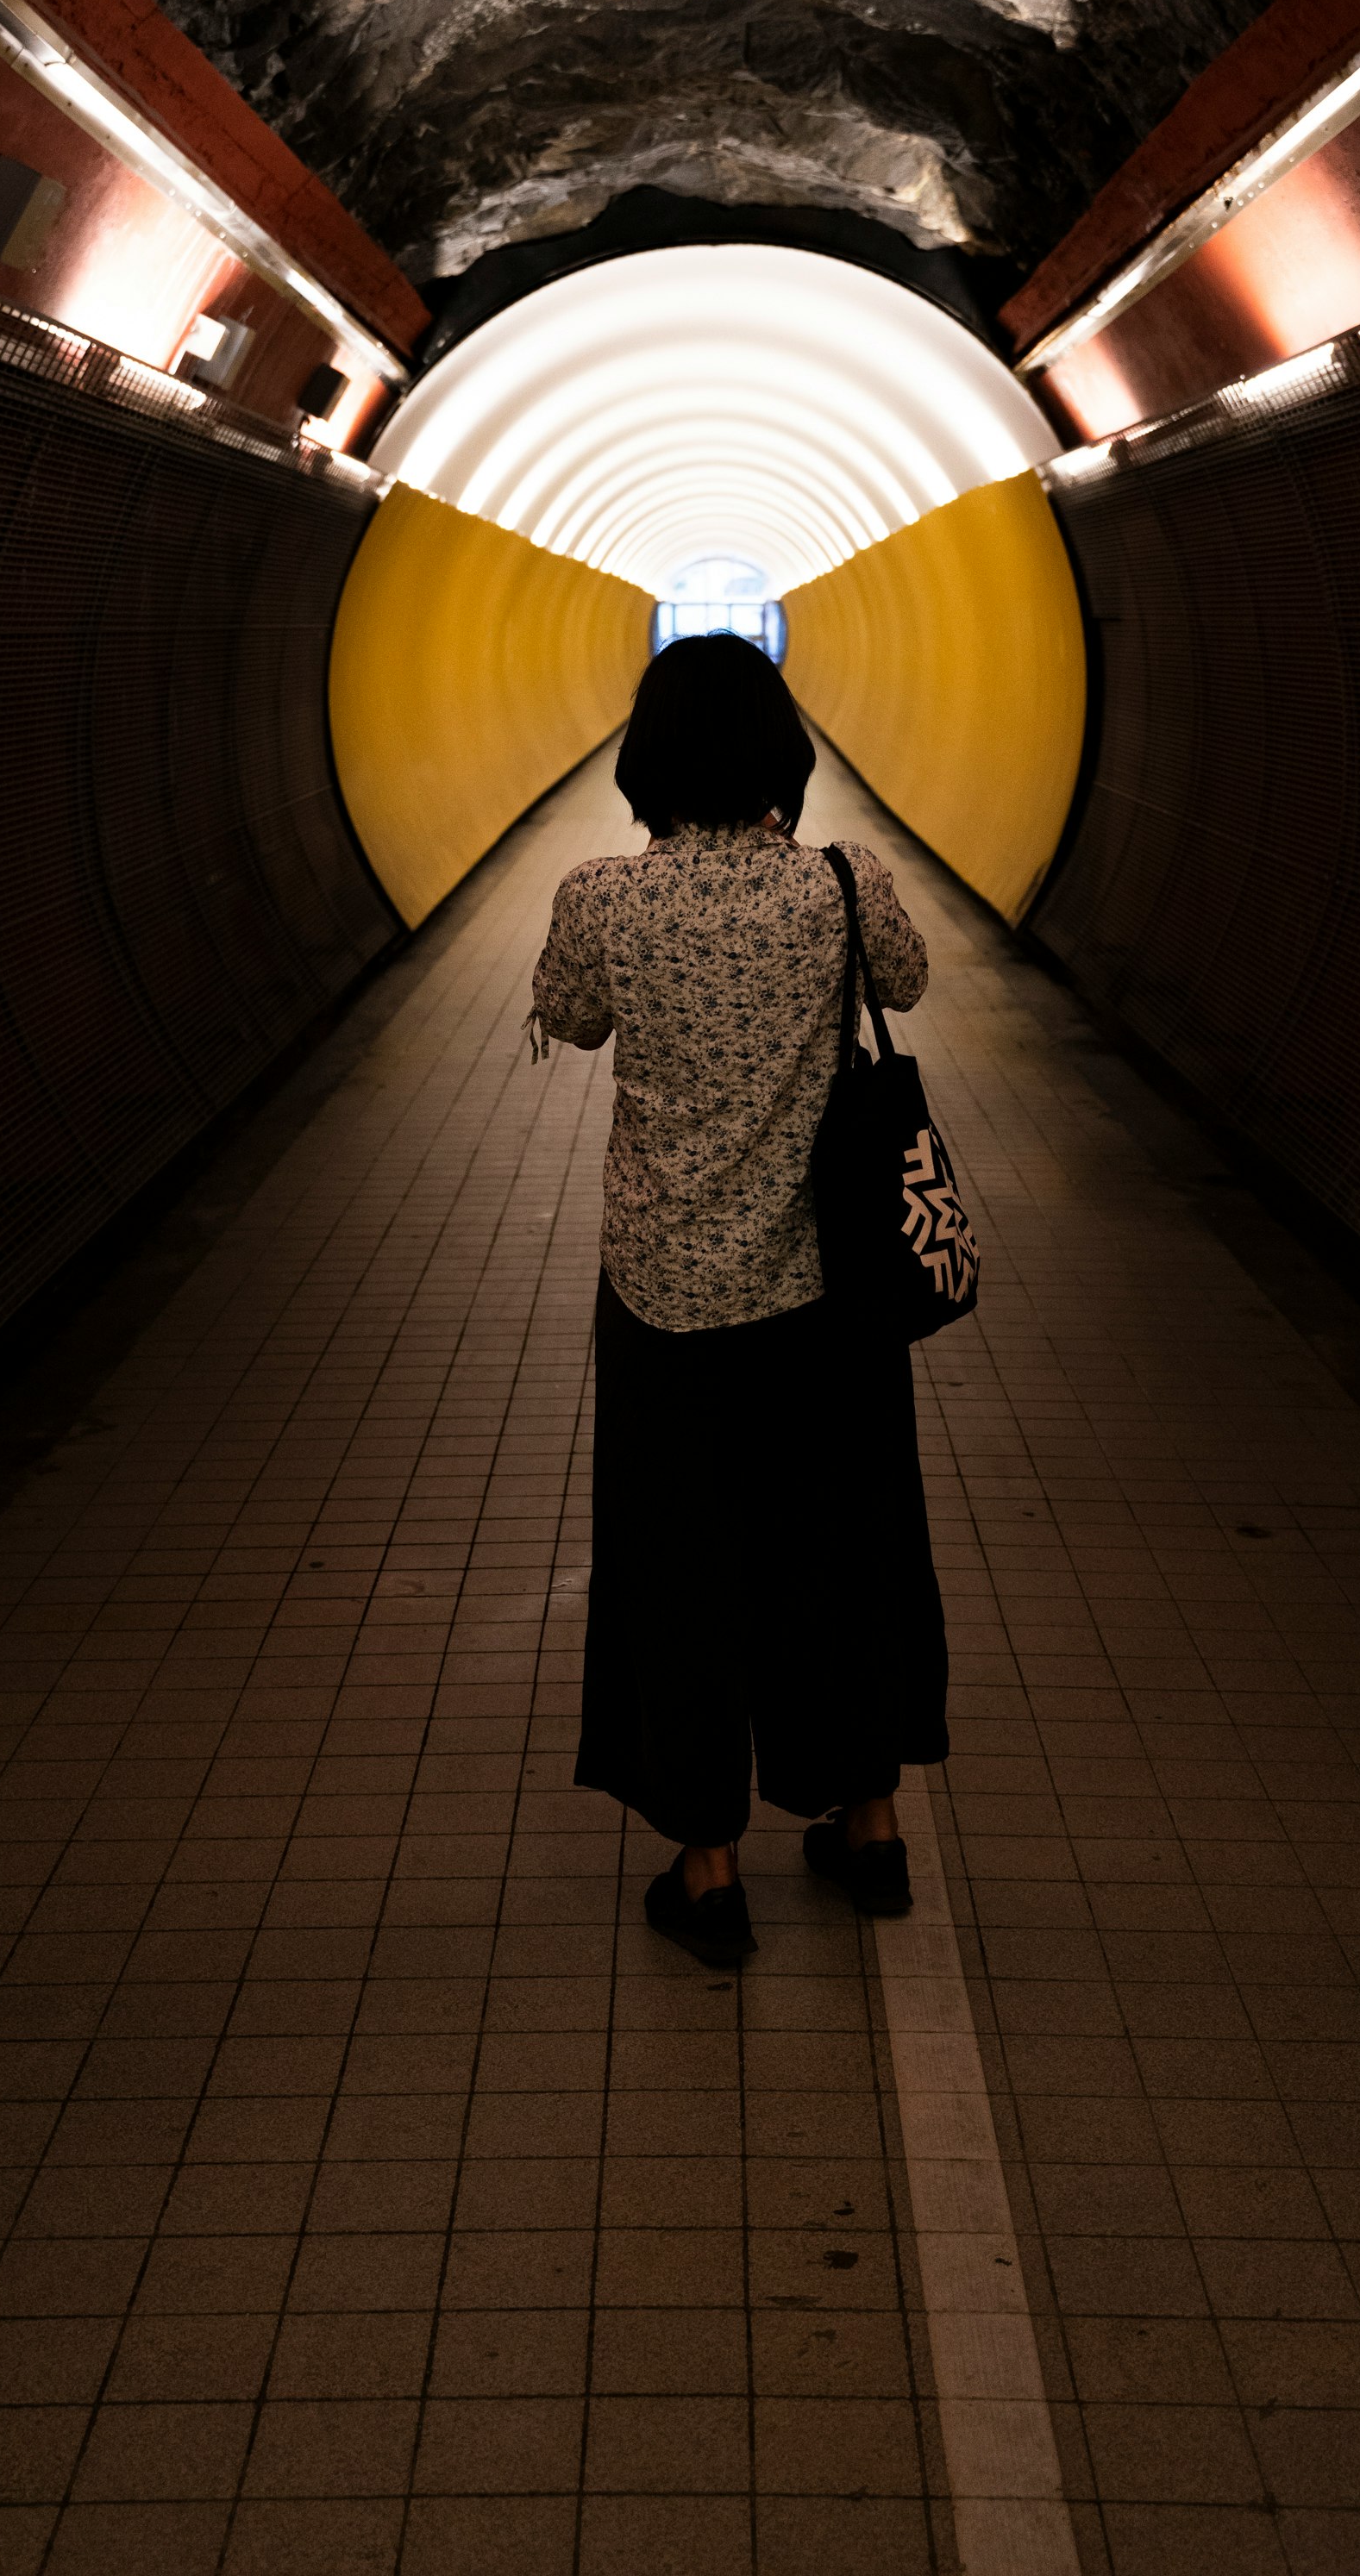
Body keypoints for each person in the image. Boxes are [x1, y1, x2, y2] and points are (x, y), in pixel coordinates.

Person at [529, 631, 950, 1965]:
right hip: (832, 1298)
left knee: (682, 1569)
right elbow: (913, 984)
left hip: (665, 1304)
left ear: (646, 764)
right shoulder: (842, 884)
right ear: (783, 753)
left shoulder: (603, 898)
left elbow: (569, 1019)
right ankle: (868, 1829)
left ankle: (710, 1871)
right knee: (847, 1551)